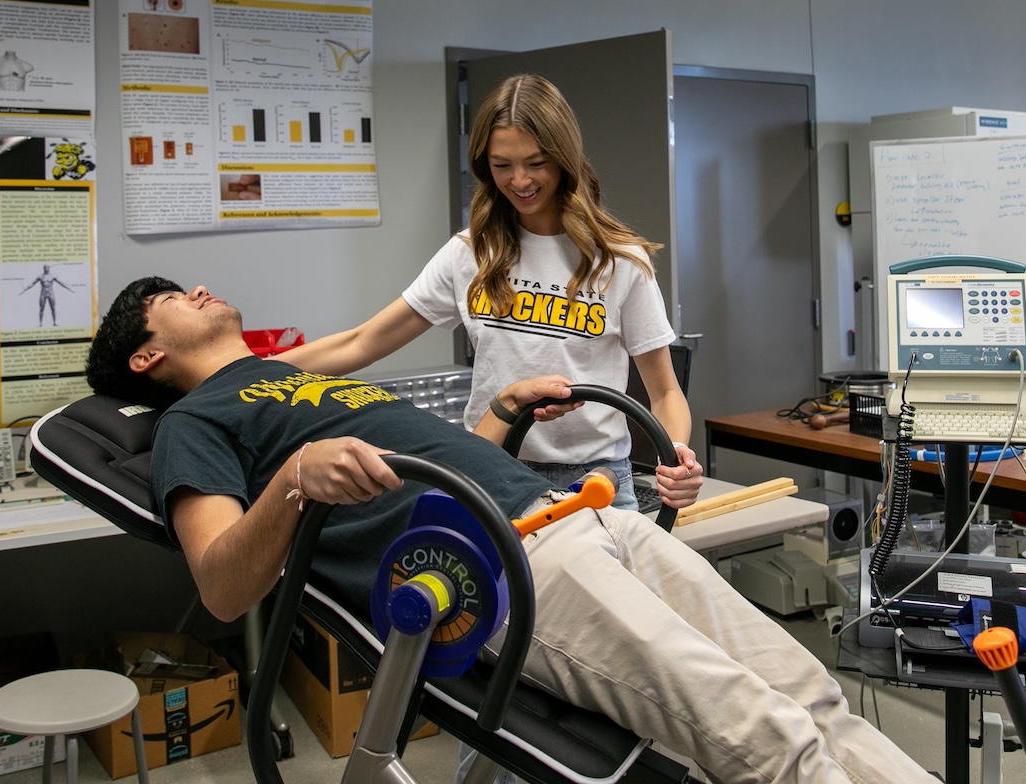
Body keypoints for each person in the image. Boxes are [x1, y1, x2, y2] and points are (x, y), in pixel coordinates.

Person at [84, 276, 937, 784]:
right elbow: (222, 587)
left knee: (809, 696)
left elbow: (436, 467)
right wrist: (294, 479)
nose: (198, 291)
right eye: (172, 299)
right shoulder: (195, 422)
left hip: (582, 517)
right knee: (762, 734)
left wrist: (500, 410)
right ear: (147, 357)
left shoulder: (284, 378)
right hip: (503, 570)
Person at [283, 73, 700, 513]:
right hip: (491, 471)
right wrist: (246, 374)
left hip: (596, 482)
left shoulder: (618, 260)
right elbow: (362, 342)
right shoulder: (471, 253)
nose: (519, 181)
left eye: (536, 163)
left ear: (565, 159)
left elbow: (665, 393)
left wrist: (674, 456)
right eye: (502, 166)